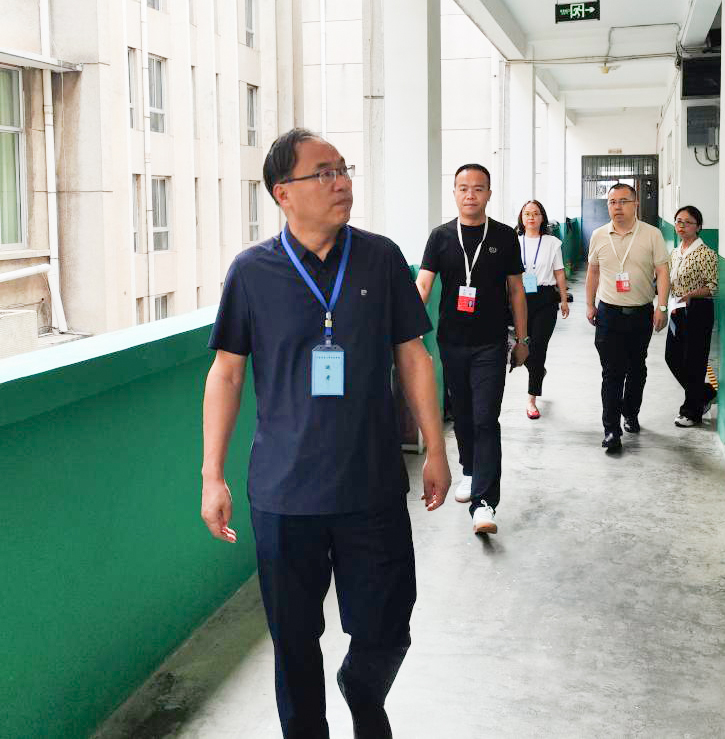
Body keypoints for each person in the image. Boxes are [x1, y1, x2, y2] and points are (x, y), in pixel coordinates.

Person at [200, 128, 450, 739]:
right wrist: (212, 476)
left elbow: (413, 355)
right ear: (283, 193)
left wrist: (436, 448)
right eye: (324, 173)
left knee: (387, 626)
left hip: (371, 484)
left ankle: (362, 688)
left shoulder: (381, 258)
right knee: (293, 641)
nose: (342, 183)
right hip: (284, 493)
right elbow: (227, 373)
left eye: (344, 170)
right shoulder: (251, 272)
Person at [416, 164, 529, 535]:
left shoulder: (504, 236)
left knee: (485, 419)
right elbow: (423, 286)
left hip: (490, 343)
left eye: (478, 188)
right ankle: (469, 468)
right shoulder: (440, 237)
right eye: (463, 188)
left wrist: (523, 340)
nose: (470, 195)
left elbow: (516, 291)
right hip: (451, 341)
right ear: (454, 192)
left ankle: (484, 503)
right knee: (463, 415)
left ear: (489, 194)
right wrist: (407, 334)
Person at [585, 183, 670, 455]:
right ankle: (611, 430)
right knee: (612, 372)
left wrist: (662, 306)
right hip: (609, 313)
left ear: (635, 204)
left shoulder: (652, 234)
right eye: (612, 202)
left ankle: (630, 413)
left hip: (641, 313)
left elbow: (663, 271)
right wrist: (589, 304)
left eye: (623, 201)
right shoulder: (599, 235)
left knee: (636, 369)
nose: (617, 207)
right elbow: (593, 272)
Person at [663, 205, 719, 428]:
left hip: (698, 310)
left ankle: (691, 412)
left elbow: (713, 286)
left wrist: (692, 295)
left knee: (694, 361)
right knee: (672, 357)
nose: (681, 226)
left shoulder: (706, 254)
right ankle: (704, 393)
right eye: (678, 221)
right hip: (678, 309)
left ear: (698, 227)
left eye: (687, 222)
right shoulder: (676, 252)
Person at [515, 200, 569, 420]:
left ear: (542, 218)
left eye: (535, 213)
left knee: (538, 348)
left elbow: (559, 272)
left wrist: (563, 299)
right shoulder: (514, 241)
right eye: (527, 213)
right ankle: (538, 370)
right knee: (522, 346)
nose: (531, 217)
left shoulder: (552, 243)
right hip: (519, 298)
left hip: (545, 298)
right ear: (521, 217)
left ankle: (531, 399)